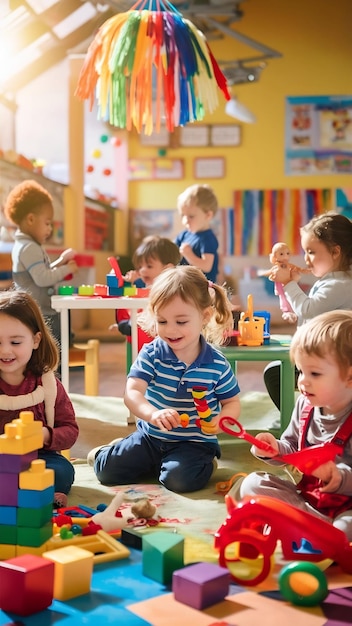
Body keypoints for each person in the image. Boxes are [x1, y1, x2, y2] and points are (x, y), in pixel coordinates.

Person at [88, 265, 240, 493]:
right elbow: (132, 392)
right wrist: (152, 414)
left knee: (179, 481)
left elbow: (232, 402)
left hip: (194, 443)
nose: (170, 330)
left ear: (204, 316)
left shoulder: (216, 363)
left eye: (181, 322)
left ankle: (199, 465)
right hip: (150, 437)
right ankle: (107, 452)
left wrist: (221, 421)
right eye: (162, 321)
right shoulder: (152, 353)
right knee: (106, 472)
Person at [229, 310, 352, 541]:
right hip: (307, 498)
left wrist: (339, 477)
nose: (303, 381)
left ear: (350, 378)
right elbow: (291, 449)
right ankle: (310, 530)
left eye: (315, 373)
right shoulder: (305, 405)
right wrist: (273, 449)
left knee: (346, 527)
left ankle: (310, 531)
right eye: (301, 371)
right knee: (252, 484)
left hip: (345, 508)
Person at [264, 212, 352, 410]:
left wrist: (288, 283)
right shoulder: (336, 282)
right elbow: (315, 312)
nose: (306, 259)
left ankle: (299, 420)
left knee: (275, 374)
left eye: (311, 252)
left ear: (335, 252)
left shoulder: (339, 284)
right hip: (329, 358)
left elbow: (309, 310)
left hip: (331, 361)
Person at [0, 290, 79, 508]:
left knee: (63, 472)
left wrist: (45, 435)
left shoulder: (47, 384)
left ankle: (38, 491)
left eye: (15, 342)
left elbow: (70, 430)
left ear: (35, 340)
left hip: (40, 458)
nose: (5, 351)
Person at [4, 179, 78, 346]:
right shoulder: (29, 247)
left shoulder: (27, 245)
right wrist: (66, 268)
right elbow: (43, 279)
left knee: (63, 319)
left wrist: (60, 261)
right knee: (54, 343)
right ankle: (60, 363)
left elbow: (42, 272)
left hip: (41, 309)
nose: (50, 230)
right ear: (31, 219)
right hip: (40, 313)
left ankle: (66, 352)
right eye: (47, 223)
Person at [113, 235, 181, 351]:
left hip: (163, 344)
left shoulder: (172, 290)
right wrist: (130, 284)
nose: (142, 270)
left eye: (149, 266)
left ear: (167, 269)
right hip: (142, 342)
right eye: (140, 266)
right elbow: (130, 306)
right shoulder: (142, 285)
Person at [175, 184, 219, 283]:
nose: (185, 221)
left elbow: (206, 266)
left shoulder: (208, 238)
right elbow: (170, 251)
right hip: (187, 285)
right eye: (183, 215)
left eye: (191, 216)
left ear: (208, 215)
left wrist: (188, 254)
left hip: (204, 289)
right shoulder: (184, 235)